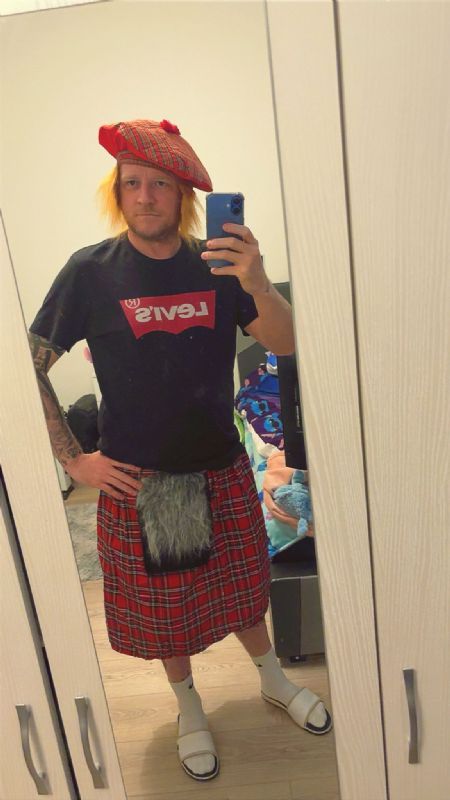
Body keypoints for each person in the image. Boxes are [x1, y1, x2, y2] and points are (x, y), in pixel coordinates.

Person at [29, 118, 332, 782]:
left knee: (245, 592)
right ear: (117, 192)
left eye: (160, 183)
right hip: (149, 482)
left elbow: (284, 344)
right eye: (132, 183)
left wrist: (258, 281)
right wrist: (74, 459)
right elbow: (30, 363)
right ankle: (189, 707)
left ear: (184, 194)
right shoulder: (89, 272)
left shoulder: (219, 264)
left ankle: (273, 679)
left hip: (222, 464)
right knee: (169, 616)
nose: (145, 196)